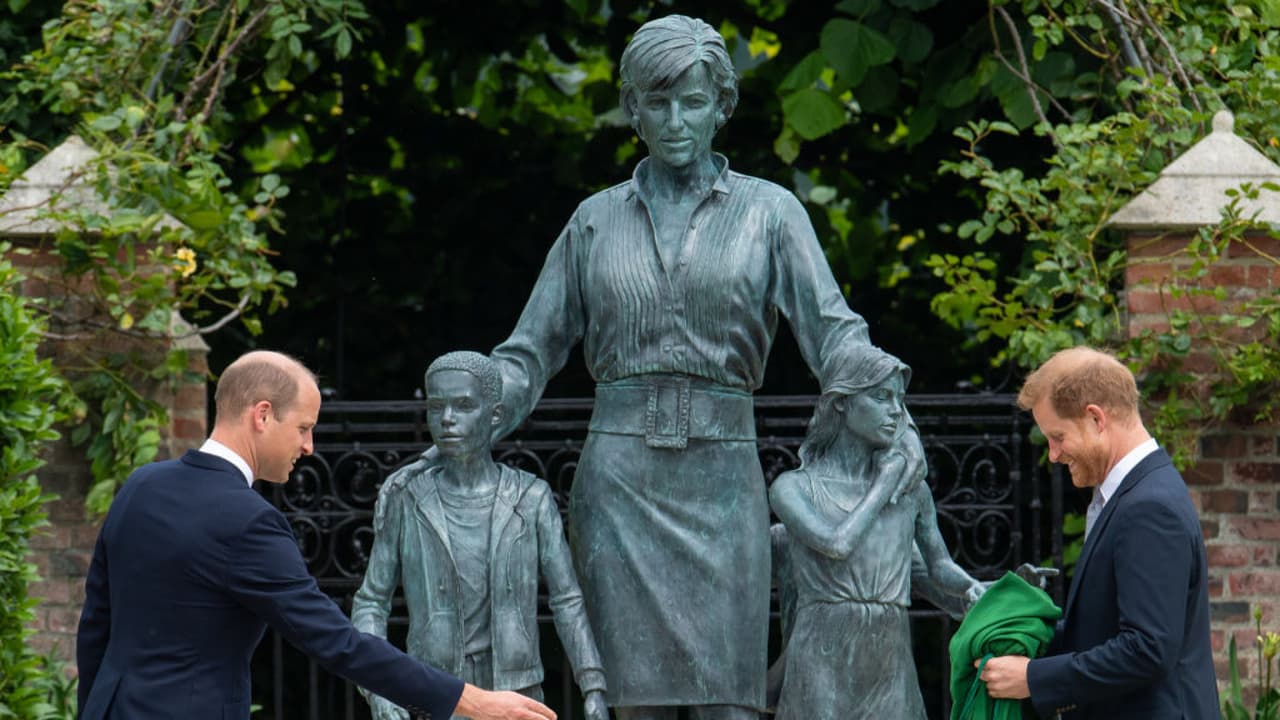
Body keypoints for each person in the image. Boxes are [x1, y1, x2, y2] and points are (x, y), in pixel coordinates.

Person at [471, 14, 926, 720]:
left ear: (723, 106)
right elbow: (528, 353)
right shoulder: (594, 221)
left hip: (724, 476)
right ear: (632, 109)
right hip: (619, 485)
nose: (677, 121)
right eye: (658, 103)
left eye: (693, 102)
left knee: (731, 703)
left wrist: (888, 410)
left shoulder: (772, 214)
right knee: (632, 703)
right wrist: (477, 406)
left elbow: (833, 333)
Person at [75, 350, 555, 720]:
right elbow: (337, 642)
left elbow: (97, 622)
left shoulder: (141, 486)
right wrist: (469, 701)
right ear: (262, 415)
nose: (309, 446)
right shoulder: (249, 522)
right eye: (304, 427)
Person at [351, 352, 609, 720]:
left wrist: (593, 685)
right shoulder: (408, 500)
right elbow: (371, 603)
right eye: (436, 407)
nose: (448, 420)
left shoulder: (530, 498)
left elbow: (566, 600)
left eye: (464, 406)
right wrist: (378, 688)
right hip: (433, 693)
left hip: (516, 694)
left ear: (496, 415)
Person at [979, 346, 1219, 719]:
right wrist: (1028, 638)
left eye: (1057, 436)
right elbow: (1104, 632)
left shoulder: (1148, 507)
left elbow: (1147, 649)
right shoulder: (1129, 495)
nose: (1054, 455)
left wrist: (1033, 678)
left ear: (1095, 418)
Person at [768, 342, 984, 720]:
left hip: (889, 661)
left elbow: (939, 568)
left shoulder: (912, 492)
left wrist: (982, 589)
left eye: (899, 400)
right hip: (822, 659)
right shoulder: (794, 487)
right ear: (841, 403)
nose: (896, 412)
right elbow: (837, 544)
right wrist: (884, 484)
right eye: (881, 398)